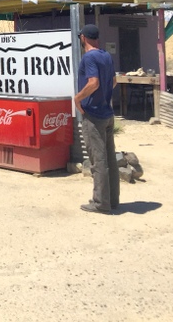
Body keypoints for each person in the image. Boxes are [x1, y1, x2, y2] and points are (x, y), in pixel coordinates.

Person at [74, 24, 119, 214]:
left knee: (98, 160)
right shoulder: (105, 56)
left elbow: (93, 83)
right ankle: (112, 200)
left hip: (93, 115)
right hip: (107, 113)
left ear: (83, 37)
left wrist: (78, 98)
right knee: (110, 159)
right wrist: (104, 96)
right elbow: (114, 81)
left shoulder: (89, 57)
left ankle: (101, 203)